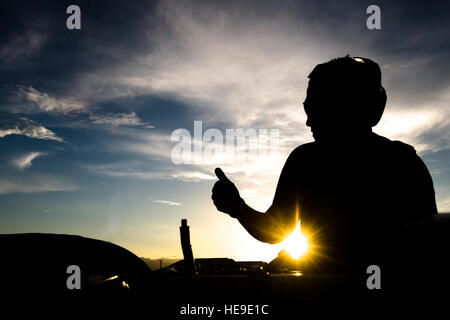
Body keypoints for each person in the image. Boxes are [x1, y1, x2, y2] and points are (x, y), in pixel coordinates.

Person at [211, 56, 438, 273]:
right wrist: (237, 207)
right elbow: (277, 230)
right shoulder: (403, 162)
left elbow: (424, 250)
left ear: (348, 106)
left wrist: (237, 207)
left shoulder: (401, 163)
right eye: (307, 109)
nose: (308, 120)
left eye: (316, 108)